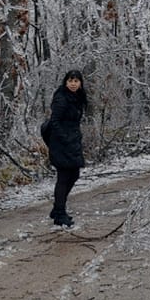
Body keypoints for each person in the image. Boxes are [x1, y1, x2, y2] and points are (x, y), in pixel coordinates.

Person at [47, 69, 87, 227]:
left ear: (80, 83)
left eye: (76, 81)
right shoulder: (61, 98)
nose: (73, 84)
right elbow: (54, 122)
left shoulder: (77, 98)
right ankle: (59, 214)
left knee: (74, 174)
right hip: (61, 143)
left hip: (73, 142)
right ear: (65, 82)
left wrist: (74, 138)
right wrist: (65, 138)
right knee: (63, 177)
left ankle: (58, 208)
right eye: (70, 80)